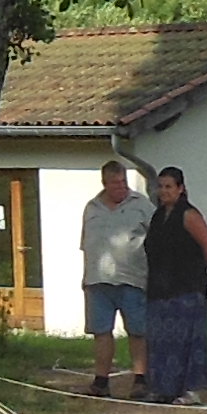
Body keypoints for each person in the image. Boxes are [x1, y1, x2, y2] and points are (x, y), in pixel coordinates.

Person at [139, 162, 207, 404]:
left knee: (187, 341)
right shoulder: (157, 216)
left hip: (185, 289)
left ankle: (190, 390)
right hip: (159, 289)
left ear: (180, 188)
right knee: (160, 340)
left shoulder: (189, 215)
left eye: (168, 187)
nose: (163, 191)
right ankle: (163, 388)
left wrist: (196, 271)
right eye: (160, 187)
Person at [79, 160, 154, 399]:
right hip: (98, 280)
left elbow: (157, 238)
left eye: (123, 182)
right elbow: (86, 245)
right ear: (105, 183)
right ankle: (101, 381)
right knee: (101, 331)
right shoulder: (91, 208)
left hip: (132, 278)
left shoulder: (141, 205)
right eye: (115, 183)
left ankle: (140, 379)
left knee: (137, 331)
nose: (120, 187)